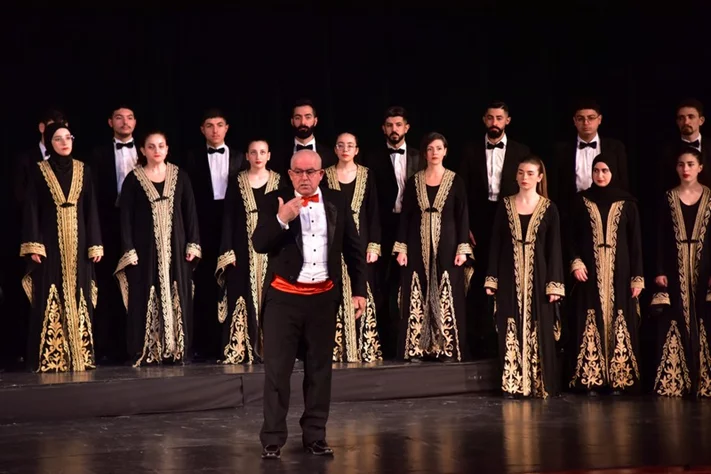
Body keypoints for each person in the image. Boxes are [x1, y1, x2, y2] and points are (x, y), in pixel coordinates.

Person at [255, 149, 367, 460]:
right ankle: (273, 438)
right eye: (298, 172)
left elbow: (353, 250)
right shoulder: (273, 200)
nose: (305, 178)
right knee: (277, 372)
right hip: (284, 300)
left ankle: (315, 436)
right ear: (289, 174)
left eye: (311, 172)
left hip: (322, 299)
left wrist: (360, 291)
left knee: (319, 371)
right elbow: (259, 243)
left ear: (321, 174)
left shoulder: (337, 202)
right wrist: (282, 219)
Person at [20, 122, 103, 372]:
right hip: (49, 242)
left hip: (79, 242)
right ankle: (52, 357)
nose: (65, 143)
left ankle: (81, 355)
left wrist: (95, 244)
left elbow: (91, 208)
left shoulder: (83, 170)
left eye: (68, 137)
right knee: (50, 291)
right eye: (58, 139)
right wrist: (34, 244)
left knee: (80, 293)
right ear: (49, 143)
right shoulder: (38, 171)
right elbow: (31, 208)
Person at [114, 131, 201, 367]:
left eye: (161, 146)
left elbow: (190, 212)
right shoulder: (133, 180)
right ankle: (150, 348)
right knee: (145, 292)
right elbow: (126, 218)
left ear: (167, 148)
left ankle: (176, 348)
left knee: (177, 292)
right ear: (143, 150)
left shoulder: (180, 176)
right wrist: (129, 249)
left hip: (176, 245)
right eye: (151, 147)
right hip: (145, 249)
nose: (156, 151)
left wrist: (193, 243)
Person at [485, 156, 564, 398]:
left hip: (539, 276)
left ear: (540, 177)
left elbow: (554, 249)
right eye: (521, 173)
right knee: (510, 323)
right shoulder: (506, 205)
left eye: (530, 173)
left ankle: (538, 383)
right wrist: (492, 278)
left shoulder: (549, 208)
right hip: (509, 274)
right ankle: (512, 382)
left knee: (538, 326)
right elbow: (496, 243)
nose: (525, 177)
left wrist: (554, 284)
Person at [458, 100, 531, 359]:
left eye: (499, 118)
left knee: (507, 276)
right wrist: (465, 226)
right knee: (478, 280)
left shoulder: (521, 151)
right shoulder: (469, 150)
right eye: (490, 118)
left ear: (507, 120)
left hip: (509, 221)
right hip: (478, 223)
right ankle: (478, 338)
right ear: (484, 120)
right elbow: (462, 192)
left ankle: (507, 336)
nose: (494, 123)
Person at [568, 155, 644, 396]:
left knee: (620, 317)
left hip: (620, 271)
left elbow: (636, 243)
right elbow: (571, 237)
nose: (600, 175)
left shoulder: (627, 203)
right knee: (590, 316)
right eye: (596, 170)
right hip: (589, 271)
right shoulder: (581, 201)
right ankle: (591, 378)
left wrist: (637, 277)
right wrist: (575, 262)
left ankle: (621, 379)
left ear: (614, 173)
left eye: (605, 170)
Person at [394, 132, 473, 363]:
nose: (434, 153)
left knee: (446, 291)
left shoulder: (455, 181)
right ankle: (417, 348)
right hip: (417, 244)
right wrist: (402, 248)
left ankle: (447, 348)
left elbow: (463, 216)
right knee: (417, 290)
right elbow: (406, 217)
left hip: (447, 245)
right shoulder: (414, 181)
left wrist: (462, 249)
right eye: (430, 149)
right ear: (425, 153)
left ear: (445, 151)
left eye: (438, 148)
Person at [184, 108, 246, 361]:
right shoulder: (191, 158)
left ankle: (234, 341)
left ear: (227, 127)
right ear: (202, 130)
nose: (215, 130)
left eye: (219, 124)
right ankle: (205, 344)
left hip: (232, 225)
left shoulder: (241, 157)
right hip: (203, 225)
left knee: (233, 282)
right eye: (209, 125)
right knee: (206, 286)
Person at [361, 106, 422, 358]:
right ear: (383, 129)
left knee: (408, 282)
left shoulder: (419, 157)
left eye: (398, 124)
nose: (394, 129)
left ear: (406, 127)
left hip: (411, 227)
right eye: (389, 125)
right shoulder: (370, 158)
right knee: (379, 283)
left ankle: (408, 343)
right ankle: (381, 342)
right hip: (381, 226)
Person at [215, 139, 283, 364]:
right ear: (247, 156)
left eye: (262, 152)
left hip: (272, 248)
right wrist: (228, 250)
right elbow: (228, 218)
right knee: (242, 293)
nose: (258, 156)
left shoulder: (279, 181)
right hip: (242, 247)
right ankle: (243, 346)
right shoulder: (237, 181)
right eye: (253, 152)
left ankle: (273, 346)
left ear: (269, 155)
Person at [651, 147, 711, 398]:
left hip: (704, 266)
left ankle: (704, 379)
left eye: (690, 164)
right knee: (674, 315)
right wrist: (660, 270)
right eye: (680, 165)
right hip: (675, 269)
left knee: (704, 317)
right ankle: (677, 380)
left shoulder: (710, 197)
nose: (685, 169)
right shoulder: (668, 197)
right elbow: (660, 237)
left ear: (700, 167)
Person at [324, 132, 382, 362]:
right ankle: (335, 347)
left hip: (361, 239)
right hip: (332, 241)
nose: (345, 149)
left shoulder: (367, 175)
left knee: (361, 288)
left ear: (357, 150)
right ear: (336, 149)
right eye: (341, 145)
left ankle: (363, 347)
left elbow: (373, 212)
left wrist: (374, 245)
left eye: (350, 145)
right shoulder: (326, 175)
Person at [89, 104, 139, 364]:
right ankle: (108, 345)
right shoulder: (98, 154)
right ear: (110, 122)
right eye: (119, 118)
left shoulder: (146, 151)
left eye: (129, 118)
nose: (125, 122)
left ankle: (137, 342)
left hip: (139, 225)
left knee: (137, 282)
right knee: (109, 284)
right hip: (109, 224)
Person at [551, 99, 629, 212]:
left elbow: (623, 182)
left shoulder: (615, 147)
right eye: (580, 118)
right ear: (574, 121)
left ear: (599, 119)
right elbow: (555, 187)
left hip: (608, 208)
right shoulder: (560, 150)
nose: (586, 123)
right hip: (572, 211)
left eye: (591, 118)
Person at [271, 98, 337, 176]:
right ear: (292, 121)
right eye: (298, 118)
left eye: (308, 117)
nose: (303, 122)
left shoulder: (331, 156)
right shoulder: (278, 156)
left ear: (315, 121)